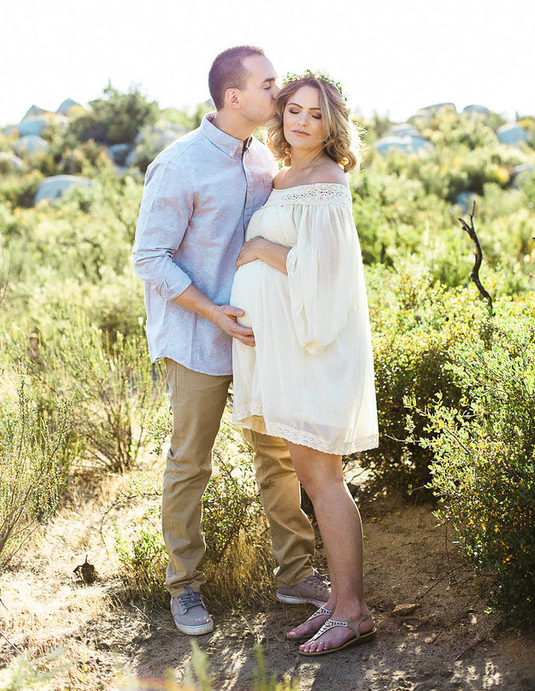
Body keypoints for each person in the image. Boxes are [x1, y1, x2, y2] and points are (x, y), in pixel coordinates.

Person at [132, 47, 330, 637]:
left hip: (259, 341)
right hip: (197, 339)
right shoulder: (180, 164)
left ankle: (294, 574)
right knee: (191, 462)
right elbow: (150, 257)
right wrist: (213, 312)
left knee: (277, 457)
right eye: (269, 84)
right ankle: (184, 589)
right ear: (234, 96)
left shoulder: (265, 157)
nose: (280, 91)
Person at [231, 73, 379, 655]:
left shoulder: (327, 178)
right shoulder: (283, 176)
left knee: (324, 480)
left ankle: (353, 611)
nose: (302, 121)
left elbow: (326, 274)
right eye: (294, 109)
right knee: (311, 477)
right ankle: (340, 604)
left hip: (314, 351)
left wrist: (263, 249)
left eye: (316, 114)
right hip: (286, 351)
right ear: (281, 115)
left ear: (331, 123)